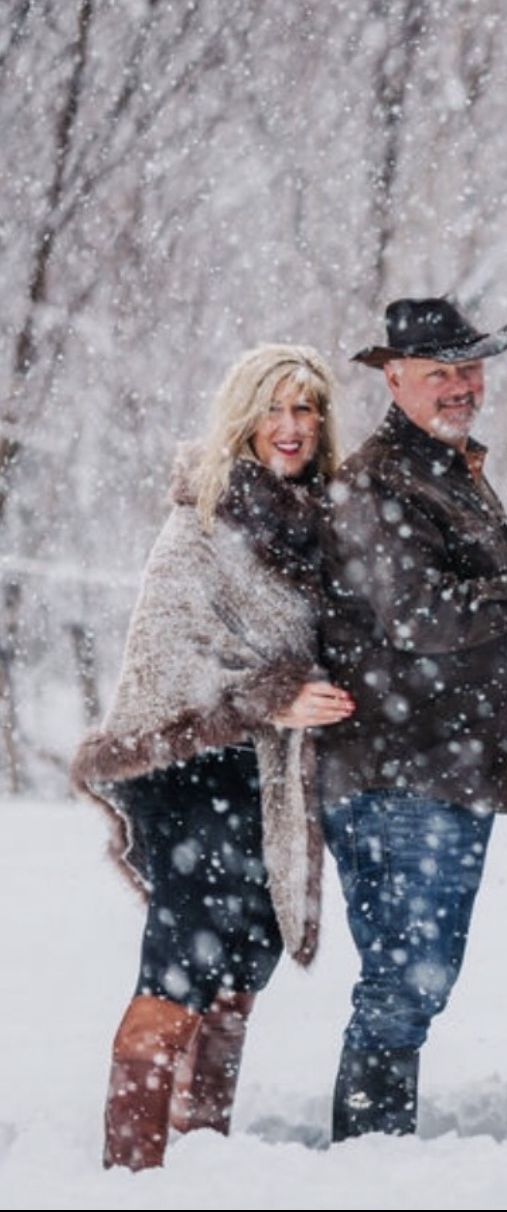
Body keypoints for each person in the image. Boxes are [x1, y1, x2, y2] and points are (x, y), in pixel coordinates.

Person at [317, 297, 507, 1140]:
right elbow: (419, 616)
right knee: (409, 979)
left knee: (408, 977)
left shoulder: (446, 469)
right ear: (395, 378)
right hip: (400, 767)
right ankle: (370, 1154)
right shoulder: (379, 480)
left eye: (470, 368)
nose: (462, 386)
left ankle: (372, 1151)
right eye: (441, 372)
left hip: (440, 765)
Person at [73, 344, 356, 1169]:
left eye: (306, 408)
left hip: (265, 778)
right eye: (275, 407)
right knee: (182, 955)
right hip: (186, 770)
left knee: (246, 951)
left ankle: (205, 1155)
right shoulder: (202, 514)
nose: (291, 426)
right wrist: (272, 694)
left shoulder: (321, 526)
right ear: (245, 415)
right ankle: (132, 1168)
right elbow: (168, 656)